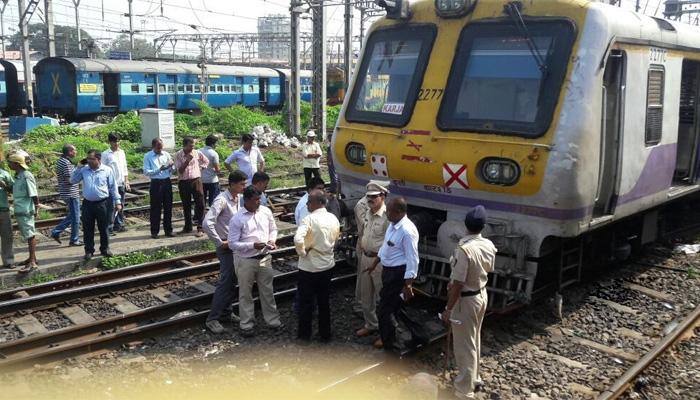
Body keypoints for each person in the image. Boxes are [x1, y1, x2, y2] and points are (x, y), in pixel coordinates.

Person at [441, 206, 496, 400]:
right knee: (474, 339)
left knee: (464, 345)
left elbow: (458, 284)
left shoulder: (464, 250)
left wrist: (448, 309)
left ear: (465, 225)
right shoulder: (488, 245)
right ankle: (475, 377)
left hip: (465, 300)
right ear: (483, 226)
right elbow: (489, 268)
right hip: (481, 294)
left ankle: (464, 390)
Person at [228, 186, 282, 337]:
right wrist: (252, 245)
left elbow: (273, 229)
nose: (258, 202)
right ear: (246, 201)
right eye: (255, 200)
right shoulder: (237, 219)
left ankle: (273, 321)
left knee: (268, 291)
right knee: (245, 293)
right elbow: (232, 244)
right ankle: (246, 324)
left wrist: (272, 240)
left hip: (265, 258)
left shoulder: (265, 212)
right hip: (246, 260)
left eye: (259, 199)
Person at [366, 197, 419, 350]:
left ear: (400, 212)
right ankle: (414, 333)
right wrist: (375, 263)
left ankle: (388, 341)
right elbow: (385, 247)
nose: (386, 214)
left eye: (389, 211)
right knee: (394, 307)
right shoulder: (393, 224)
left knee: (384, 309)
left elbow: (412, 258)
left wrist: (408, 284)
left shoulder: (407, 231)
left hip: (397, 274)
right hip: (388, 272)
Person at [203, 170, 248, 334]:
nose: (244, 186)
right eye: (242, 184)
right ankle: (212, 319)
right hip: (226, 247)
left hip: (235, 246)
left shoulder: (238, 199)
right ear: (233, 184)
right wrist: (219, 242)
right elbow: (207, 223)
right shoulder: (222, 200)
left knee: (232, 280)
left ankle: (226, 312)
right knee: (226, 281)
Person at [294, 189, 340, 342]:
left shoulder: (309, 219)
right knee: (324, 302)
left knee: (306, 302)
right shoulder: (333, 218)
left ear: (318, 202)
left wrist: (302, 252)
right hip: (327, 265)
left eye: (309, 201)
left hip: (309, 267)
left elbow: (298, 239)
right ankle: (325, 334)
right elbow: (336, 238)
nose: (307, 204)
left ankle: (304, 335)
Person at [71, 150, 121, 260]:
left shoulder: (107, 170)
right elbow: (73, 180)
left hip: (103, 203)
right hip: (88, 203)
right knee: (88, 228)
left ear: (98, 159)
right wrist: (78, 167)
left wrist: (117, 201)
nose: (88, 161)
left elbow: (113, 187)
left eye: (91, 159)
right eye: (87, 158)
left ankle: (105, 248)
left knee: (104, 227)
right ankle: (89, 250)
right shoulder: (84, 170)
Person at [355, 181, 390, 338]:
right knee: (366, 295)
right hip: (365, 258)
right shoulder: (368, 212)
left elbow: (390, 242)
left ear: (383, 196)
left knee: (383, 297)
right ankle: (371, 324)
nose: (370, 200)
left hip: (379, 261)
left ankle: (386, 330)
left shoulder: (388, 216)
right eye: (368, 197)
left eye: (374, 197)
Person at [8, 153, 39, 272]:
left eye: (10, 163)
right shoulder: (18, 176)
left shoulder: (26, 176)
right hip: (20, 209)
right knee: (28, 234)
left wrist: (36, 207)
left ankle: (32, 263)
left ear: (16, 164)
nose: (9, 165)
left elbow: (34, 194)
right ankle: (33, 258)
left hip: (26, 210)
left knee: (30, 235)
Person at [175, 136, 209, 237]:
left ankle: (200, 227)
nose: (192, 148)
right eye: (190, 146)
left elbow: (206, 161)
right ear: (184, 146)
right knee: (186, 204)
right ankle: (188, 227)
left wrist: (201, 168)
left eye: (193, 146)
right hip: (184, 181)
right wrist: (187, 161)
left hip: (196, 180)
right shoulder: (178, 155)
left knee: (200, 203)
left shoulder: (197, 152)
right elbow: (180, 170)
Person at [50, 144, 82, 246]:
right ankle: (74, 239)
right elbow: (70, 180)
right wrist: (79, 173)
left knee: (74, 215)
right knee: (76, 217)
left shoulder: (61, 161)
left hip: (67, 192)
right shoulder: (66, 163)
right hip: (71, 193)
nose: (76, 152)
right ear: (69, 152)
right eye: (74, 150)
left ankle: (56, 231)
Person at [143, 138, 174, 239]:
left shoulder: (166, 154)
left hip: (167, 182)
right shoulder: (148, 156)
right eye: (158, 148)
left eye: (161, 147)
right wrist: (159, 169)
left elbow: (172, 170)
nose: (160, 150)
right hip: (156, 183)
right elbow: (146, 171)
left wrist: (171, 167)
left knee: (168, 207)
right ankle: (154, 231)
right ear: (153, 147)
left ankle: (168, 230)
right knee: (155, 208)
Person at [102, 134, 130, 234]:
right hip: (111, 184)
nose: (117, 144)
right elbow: (103, 169)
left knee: (120, 205)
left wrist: (126, 180)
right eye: (114, 142)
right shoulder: (106, 154)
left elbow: (124, 167)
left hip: (121, 182)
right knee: (111, 206)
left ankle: (119, 224)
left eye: (118, 141)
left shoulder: (121, 152)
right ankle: (109, 227)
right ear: (110, 142)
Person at [353, 194, 370, 314]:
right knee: (363, 276)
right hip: (364, 247)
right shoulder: (362, 205)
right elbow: (366, 227)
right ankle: (360, 304)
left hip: (375, 249)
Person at [0, 160, 14, 269]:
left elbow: (13, 189)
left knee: (7, 236)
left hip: (3, 209)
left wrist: (4, 186)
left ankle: (8, 261)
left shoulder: (4, 174)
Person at [200, 135, 221, 207]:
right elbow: (217, 169)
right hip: (212, 180)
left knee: (201, 201)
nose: (216, 145)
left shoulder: (199, 151)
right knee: (213, 202)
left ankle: (201, 217)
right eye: (216, 143)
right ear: (213, 144)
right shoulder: (214, 153)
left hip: (201, 180)